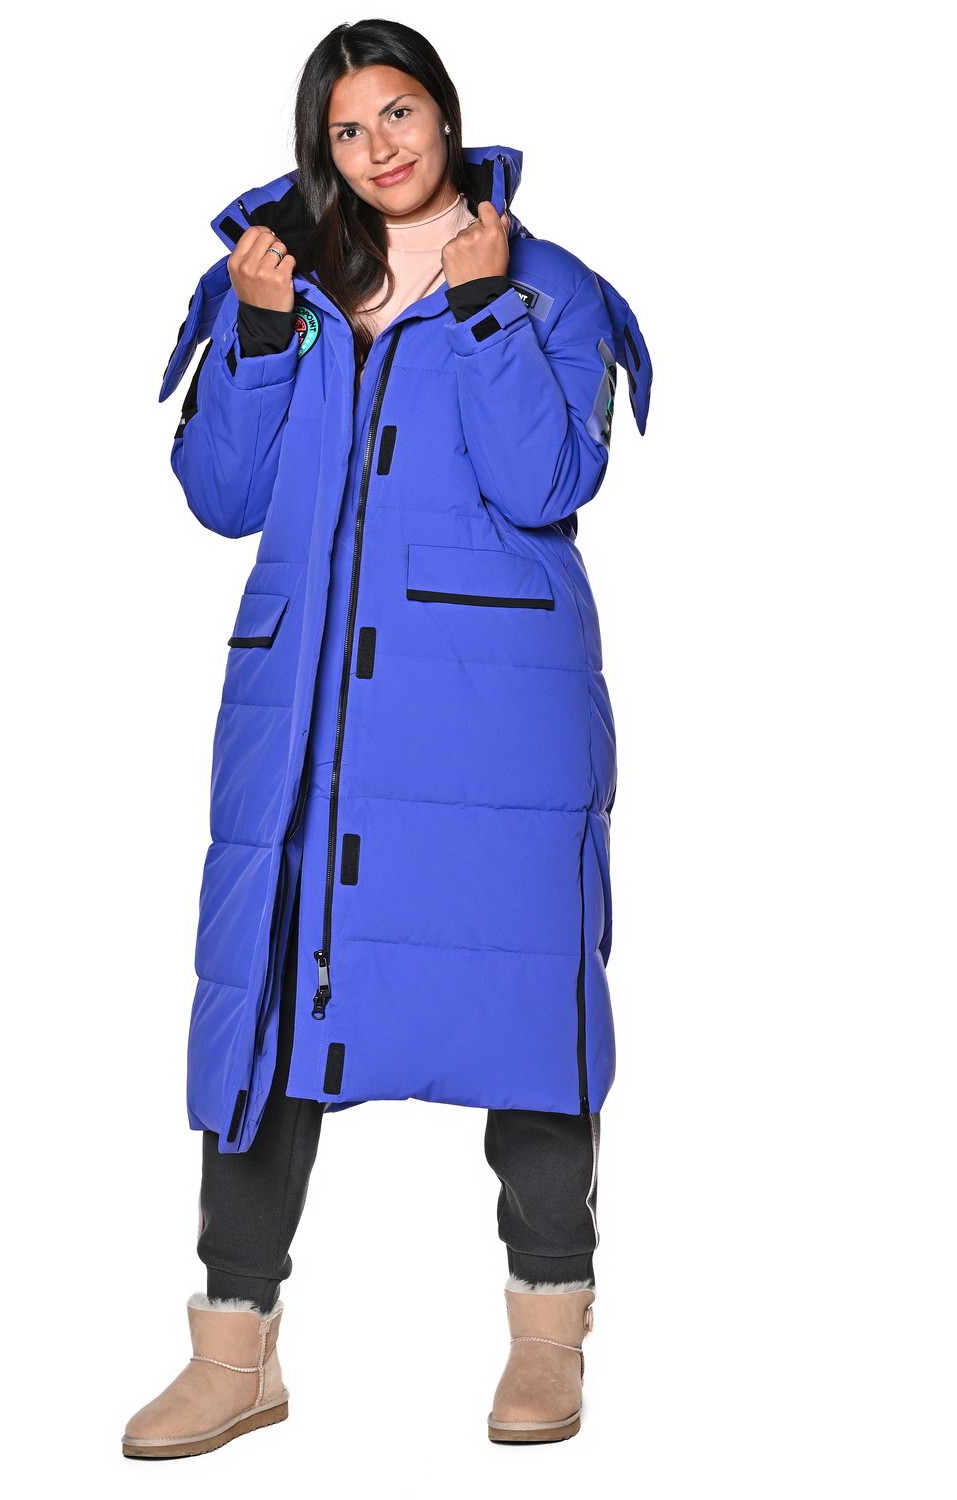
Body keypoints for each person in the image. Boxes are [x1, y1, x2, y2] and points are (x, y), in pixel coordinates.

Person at [124, 16, 652, 1459]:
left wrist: (479, 310)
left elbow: (549, 480)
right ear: (323, 147)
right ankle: (233, 1356)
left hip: (492, 717)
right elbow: (222, 497)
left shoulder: (547, 287)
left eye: (399, 113)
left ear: (446, 117)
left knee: (522, 998)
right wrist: (251, 335)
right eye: (348, 129)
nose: (379, 148)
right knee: (265, 997)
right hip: (303, 710)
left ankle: (547, 1336)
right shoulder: (277, 281)